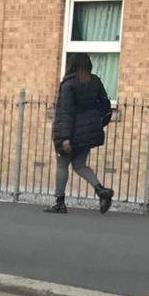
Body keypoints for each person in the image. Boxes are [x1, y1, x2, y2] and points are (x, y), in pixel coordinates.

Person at [47, 54, 115, 214]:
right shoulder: (95, 81)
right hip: (86, 134)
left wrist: (65, 138)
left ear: (71, 65)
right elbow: (105, 106)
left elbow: (66, 112)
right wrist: (95, 124)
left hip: (70, 133)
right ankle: (101, 191)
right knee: (79, 165)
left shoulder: (68, 85)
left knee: (62, 164)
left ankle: (60, 202)